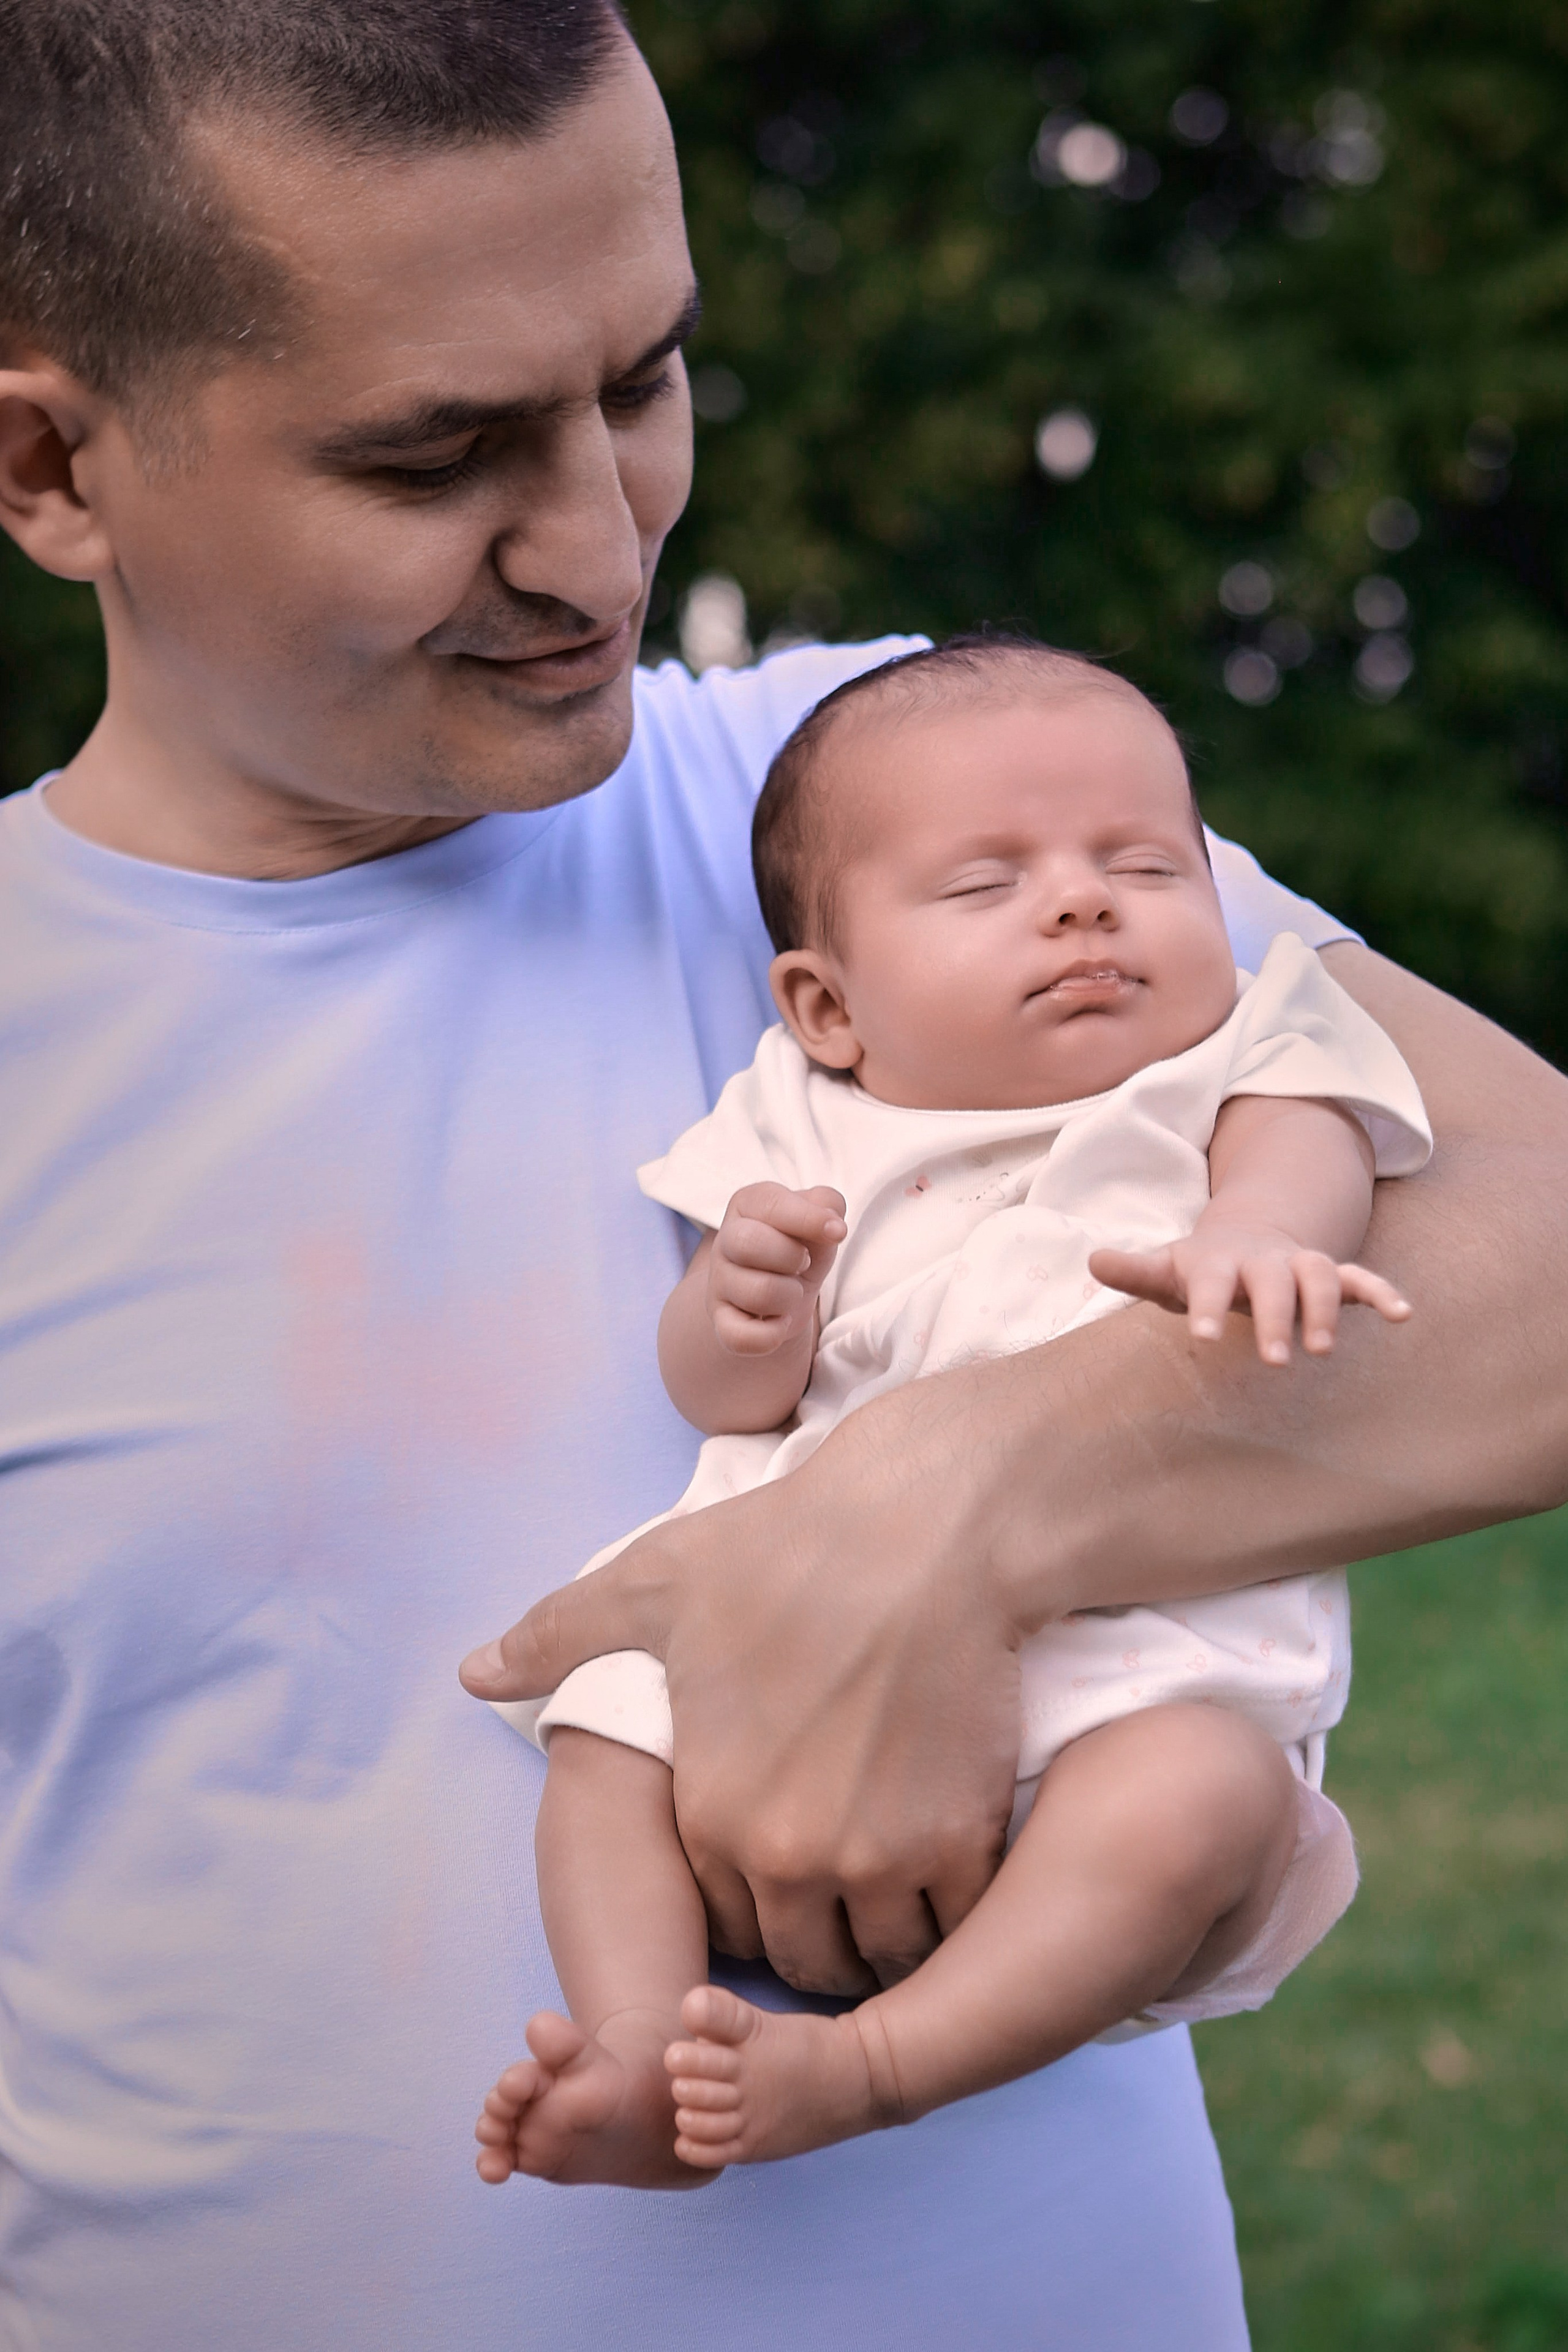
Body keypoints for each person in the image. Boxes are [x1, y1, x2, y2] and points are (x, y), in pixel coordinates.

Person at [0, 4, 1564, 2346]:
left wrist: (936, 1509)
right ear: (50, 465)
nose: (600, 538)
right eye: (437, 455)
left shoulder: (901, 820)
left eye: (642, 381)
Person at [474, 638, 1431, 2188]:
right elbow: (720, 1391)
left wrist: (1257, 1227)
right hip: (773, 1633)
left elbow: (1305, 1141)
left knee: (1202, 1796)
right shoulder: (795, 1117)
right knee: (603, 1737)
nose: (1080, 902)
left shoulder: (1240, 1048)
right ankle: (641, 2043)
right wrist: (740, 1312)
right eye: (986, 888)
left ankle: (863, 2068)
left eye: (1141, 864)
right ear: (826, 1005)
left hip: (1133, 1671)